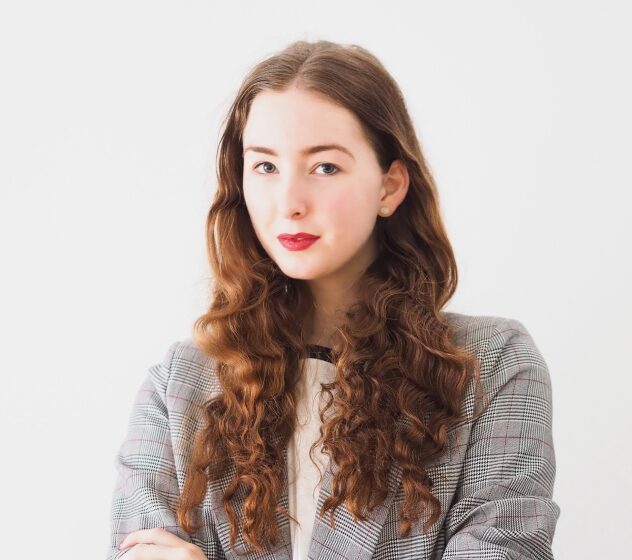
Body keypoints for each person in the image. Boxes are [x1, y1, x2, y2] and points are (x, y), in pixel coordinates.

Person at [106, 40, 560, 560]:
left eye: (325, 167)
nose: (289, 203)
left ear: (389, 186)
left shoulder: (490, 367)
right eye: (265, 167)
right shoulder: (179, 387)